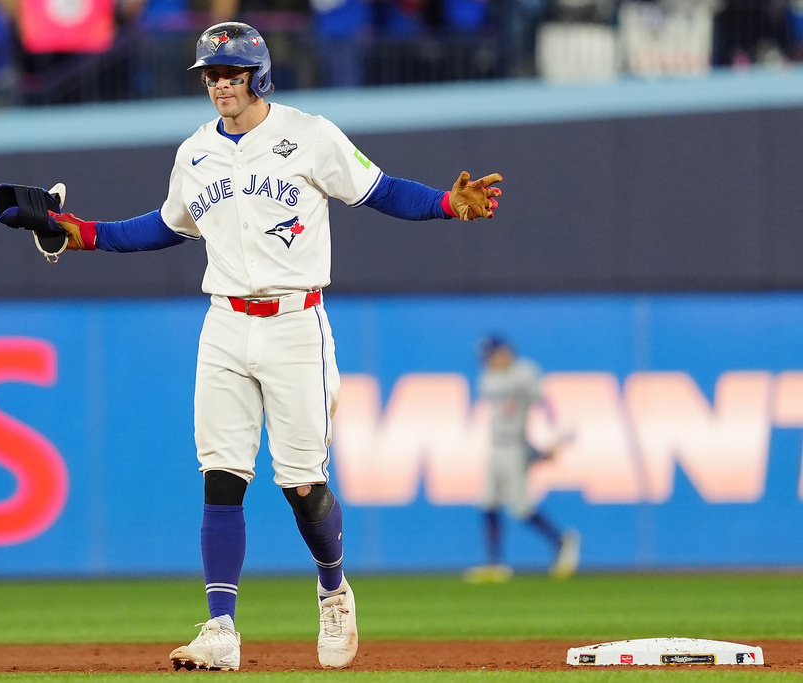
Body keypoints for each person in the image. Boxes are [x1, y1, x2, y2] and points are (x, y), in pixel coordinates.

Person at [46, 22, 502, 671]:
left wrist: (447, 205)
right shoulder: (194, 152)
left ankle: (333, 587)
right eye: (211, 74)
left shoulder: (309, 134)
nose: (221, 84)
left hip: (295, 320)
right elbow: (166, 225)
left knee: (301, 482)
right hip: (225, 321)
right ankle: (221, 627)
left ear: (259, 75)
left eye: (232, 72)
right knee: (222, 474)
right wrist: (84, 232)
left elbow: (380, 189)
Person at [464, 335, 580, 584]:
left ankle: (562, 541)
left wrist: (551, 439)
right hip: (497, 445)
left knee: (520, 507)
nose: (487, 361)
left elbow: (544, 405)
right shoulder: (487, 377)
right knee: (487, 502)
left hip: (516, 446)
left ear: (504, 351)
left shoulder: (525, 373)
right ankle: (494, 564)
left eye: (491, 355)